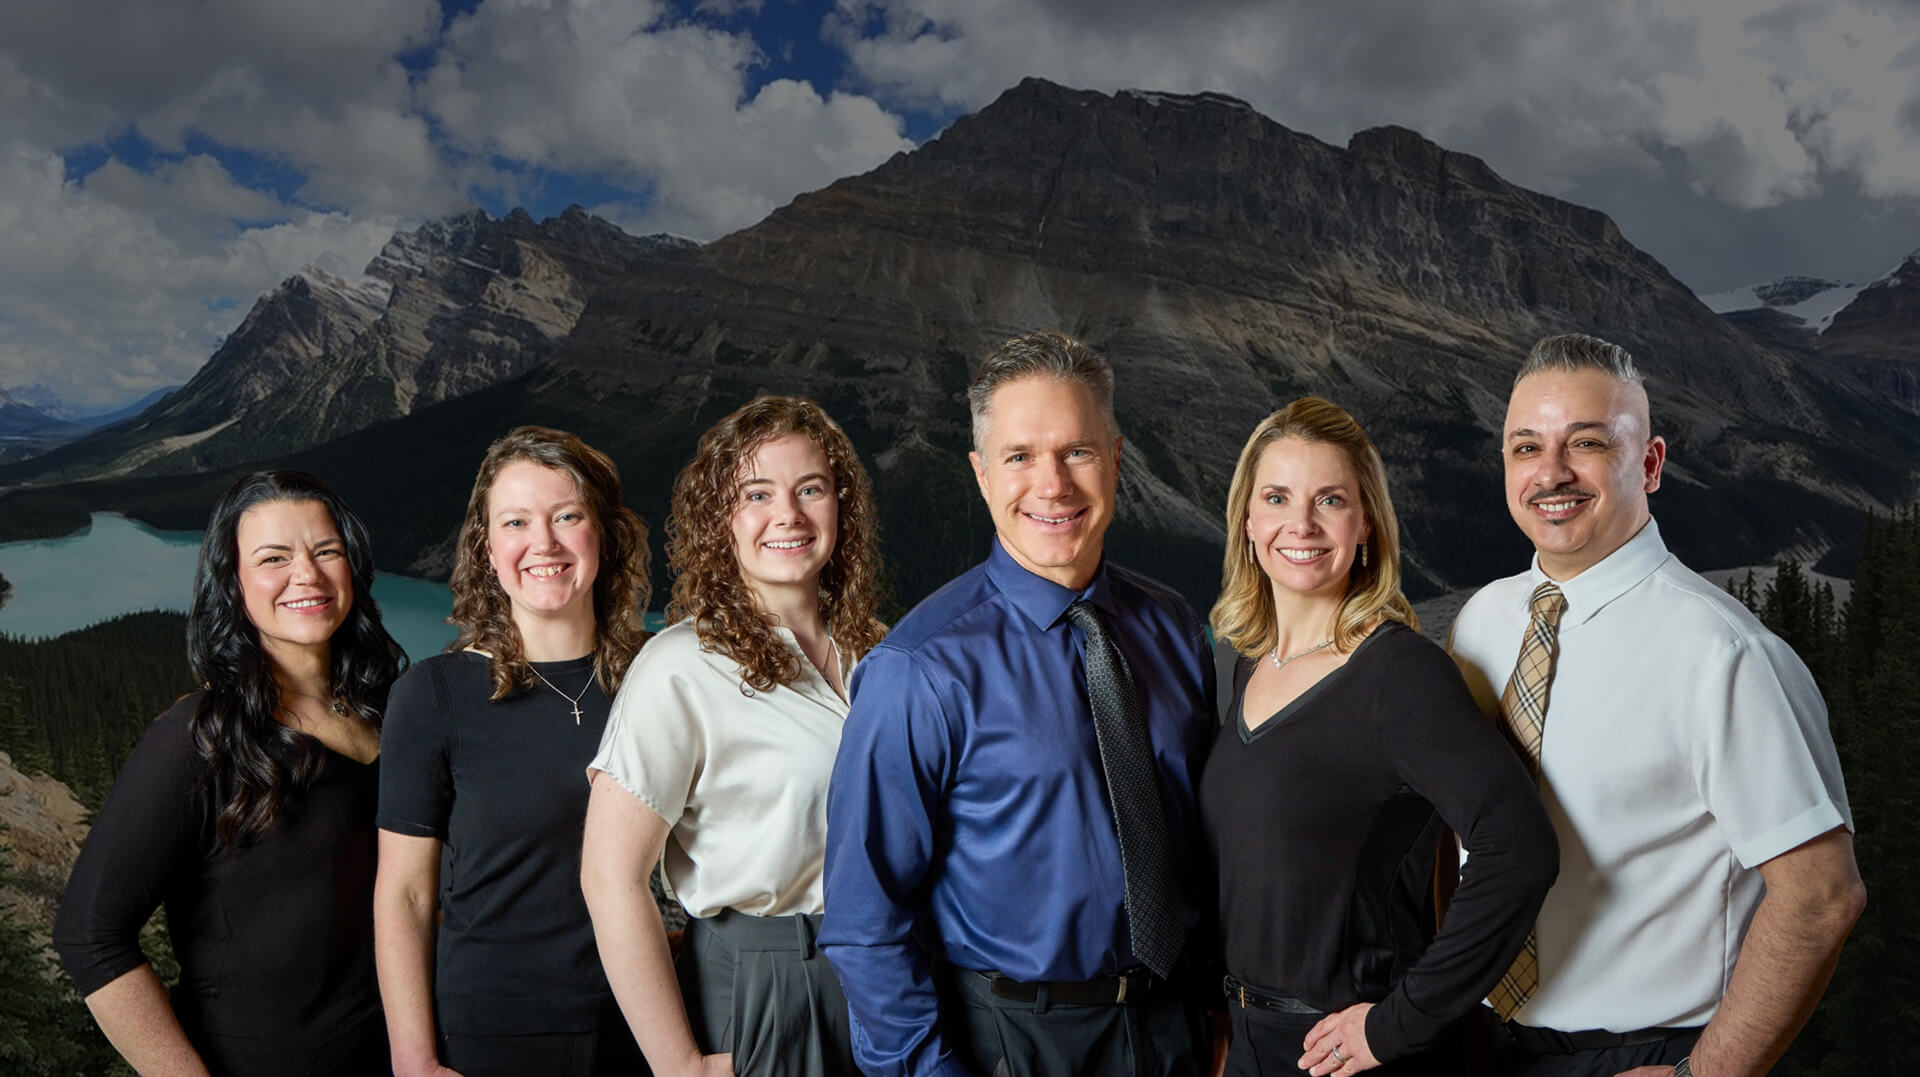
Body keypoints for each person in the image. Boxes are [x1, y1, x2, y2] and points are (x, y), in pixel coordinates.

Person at [1447, 333, 1866, 1077]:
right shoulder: (1482, 621)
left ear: (1651, 462)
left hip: (1644, 1053)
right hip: (1480, 1041)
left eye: (1587, 443)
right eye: (1525, 447)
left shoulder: (1724, 654)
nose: (1551, 472)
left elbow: (1822, 896)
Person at [822, 330, 1215, 1077]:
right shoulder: (919, 668)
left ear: (1117, 459)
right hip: (1013, 1042)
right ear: (979, 473)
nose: (1053, 484)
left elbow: (1200, 844)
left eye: (1077, 452)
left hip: (1175, 1029)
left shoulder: (1172, 628)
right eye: (1020, 456)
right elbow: (865, 917)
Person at [1200, 398, 1558, 1077]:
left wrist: (1399, 1022)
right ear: (1248, 520)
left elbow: (1520, 847)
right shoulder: (1245, 662)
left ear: (1365, 523)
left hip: (1349, 1054)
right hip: (1249, 1042)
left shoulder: (1399, 674)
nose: (1300, 523)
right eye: (1277, 497)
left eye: (1329, 499)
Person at [53, 470, 406, 1076]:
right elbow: (89, 934)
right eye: (274, 558)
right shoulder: (201, 738)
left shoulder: (394, 709)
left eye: (328, 551)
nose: (308, 575)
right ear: (234, 582)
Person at [581, 395, 887, 1077]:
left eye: (811, 487)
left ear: (841, 503)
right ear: (721, 518)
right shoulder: (680, 668)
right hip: (768, 978)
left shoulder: (880, 653)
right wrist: (679, 1064)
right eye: (757, 493)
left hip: (888, 969)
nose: (789, 514)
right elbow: (610, 877)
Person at [373, 426, 653, 1077]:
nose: (544, 543)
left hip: (643, 1016)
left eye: (567, 516)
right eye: (517, 522)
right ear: (488, 549)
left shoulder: (655, 679)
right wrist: (413, 1058)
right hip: (497, 1029)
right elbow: (405, 894)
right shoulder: (433, 694)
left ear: (603, 534)